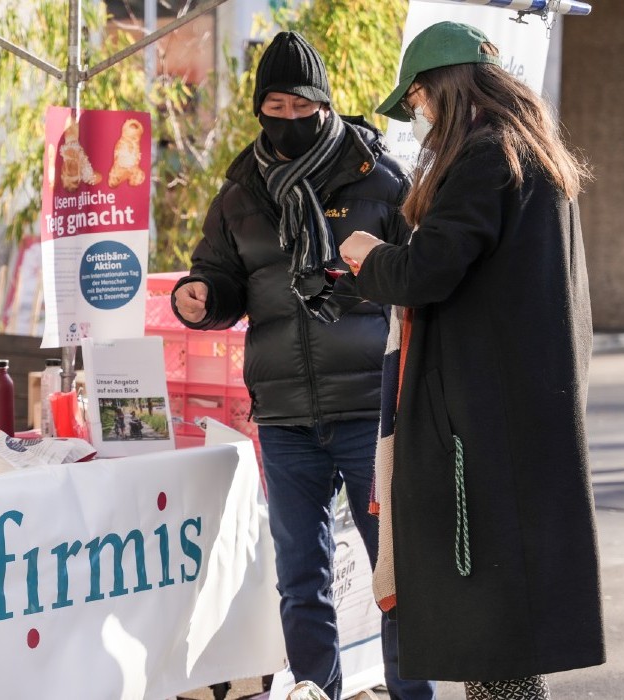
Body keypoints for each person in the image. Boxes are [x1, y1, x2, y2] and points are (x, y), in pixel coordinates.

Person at [338, 21, 604, 699]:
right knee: (502, 633)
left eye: (420, 99)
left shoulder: (487, 155)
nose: (420, 117)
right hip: (516, 416)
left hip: (483, 425)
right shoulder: (530, 152)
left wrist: (371, 258)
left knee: (494, 635)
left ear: (444, 89)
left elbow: (428, 272)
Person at [171, 31, 433, 700]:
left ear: (326, 103)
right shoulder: (239, 190)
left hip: (368, 407)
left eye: (301, 106)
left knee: (394, 575)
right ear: (261, 108)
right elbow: (221, 275)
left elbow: (419, 275)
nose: (287, 119)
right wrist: (201, 299)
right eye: (275, 106)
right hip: (285, 412)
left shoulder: (380, 178)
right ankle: (317, 692)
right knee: (299, 578)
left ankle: (412, 695)